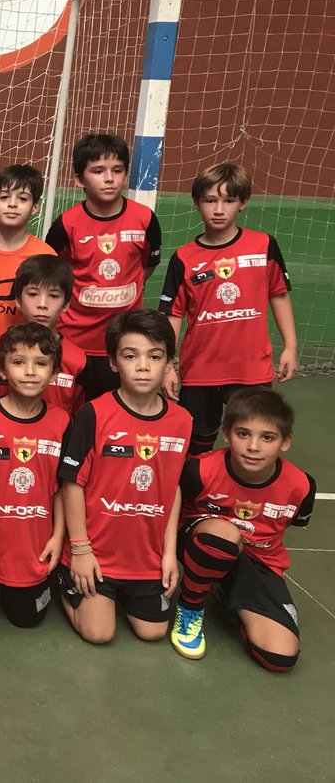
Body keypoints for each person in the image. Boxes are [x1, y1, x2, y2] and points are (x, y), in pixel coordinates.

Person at [57, 309, 191, 644]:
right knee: (99, 633)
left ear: (169, 363)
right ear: (115, 363)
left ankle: (124, 591)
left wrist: (169, 554)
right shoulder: (95, 413)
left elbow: (172, 487)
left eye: (155, 356)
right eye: (131, 356)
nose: (143, 366)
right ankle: (65, 578)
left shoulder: (182, 421)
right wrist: (81, 550)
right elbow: (72, 483)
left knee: (153, 632)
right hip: (96, 552)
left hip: (144, 557)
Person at [171, 388, 315, 669]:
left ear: (285, 442)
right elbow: (169, 512)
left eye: (268, 437)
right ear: (226, 434)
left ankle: (229, 596)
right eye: (243, 434)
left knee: (279, 656)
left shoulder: (302, 486)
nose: (253, 446)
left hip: (256, 560)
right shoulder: (198, 471)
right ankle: (190, 606)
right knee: (224, 537)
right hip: (198, 541)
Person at [159, 162, 297, 454]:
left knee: (252, 446)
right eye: (210, 201)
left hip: (252, 369)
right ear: (197, 203)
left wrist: (290, 346)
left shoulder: (263, 245)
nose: (219, 209)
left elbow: (279, 295)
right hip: (199, 370)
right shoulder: (183, 258)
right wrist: (167, 365)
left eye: (229, 200)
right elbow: (173, 316)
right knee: (196, 448)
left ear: (242, 202)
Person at [45, 134, 162, 400]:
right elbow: (53, 276)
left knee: (118, 413)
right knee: (70, 415)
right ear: (79, 179)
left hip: (124, 342)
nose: (109, 178)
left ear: (126, 174)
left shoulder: (145, 219)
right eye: (98, 171)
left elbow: (147, 266)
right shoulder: (66, 225)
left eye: (117, 170)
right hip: (74, 342)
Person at [0, 324, 70, 628]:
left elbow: (62, 488)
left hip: (32, 549)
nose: (30, 372)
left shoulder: (63, 422)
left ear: (54, 375)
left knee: (27, 620)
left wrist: (58, 535)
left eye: (40, 364)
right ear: (1, 371)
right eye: (18, 362)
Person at [0, 164, 55, 380]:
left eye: (22, 199)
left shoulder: (44, 256)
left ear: (35, 207)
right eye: (5, 197)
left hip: (21, 366)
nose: (12, 205)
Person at [0, 255, 86, 415]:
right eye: (33, 294)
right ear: (18, 300)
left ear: (66, 303)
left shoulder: (78, 361)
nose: (42, 304)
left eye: (53, 296)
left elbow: (79, 416)